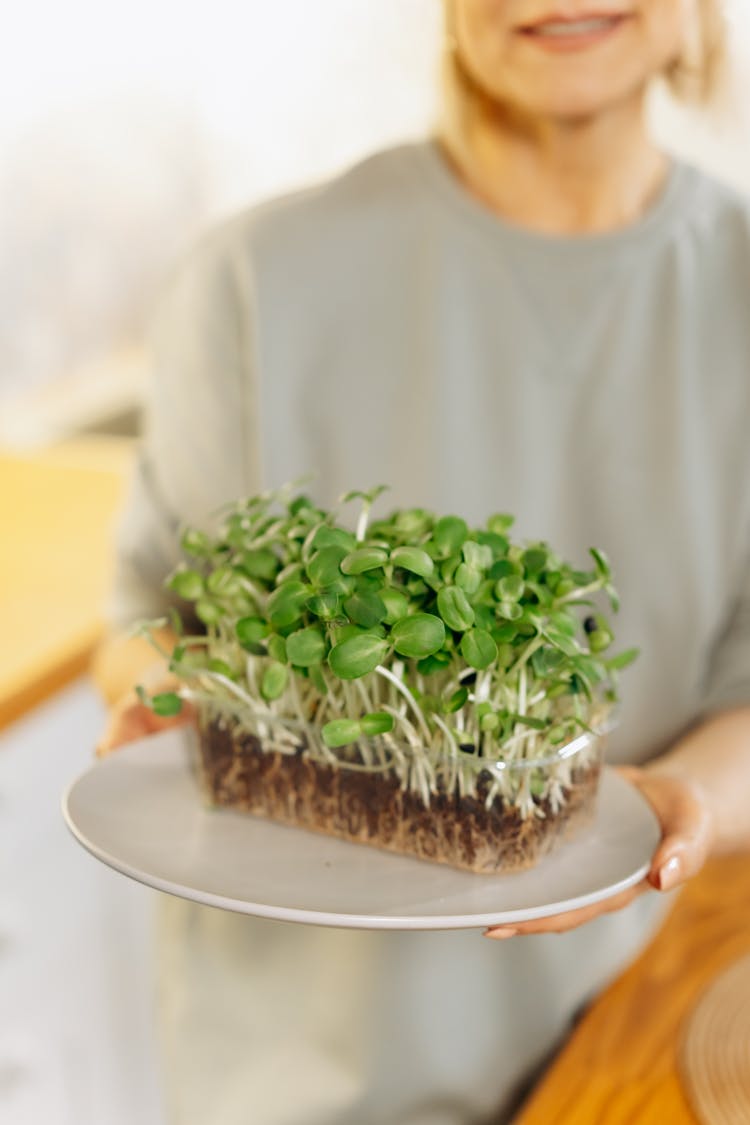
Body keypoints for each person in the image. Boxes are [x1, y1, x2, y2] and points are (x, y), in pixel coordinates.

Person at [94, 1, 750, 1121]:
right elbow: (148, 633)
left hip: (636, 1027)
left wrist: (686, 798)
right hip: (309, 1070)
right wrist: (181, 697)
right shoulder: (253, 277)